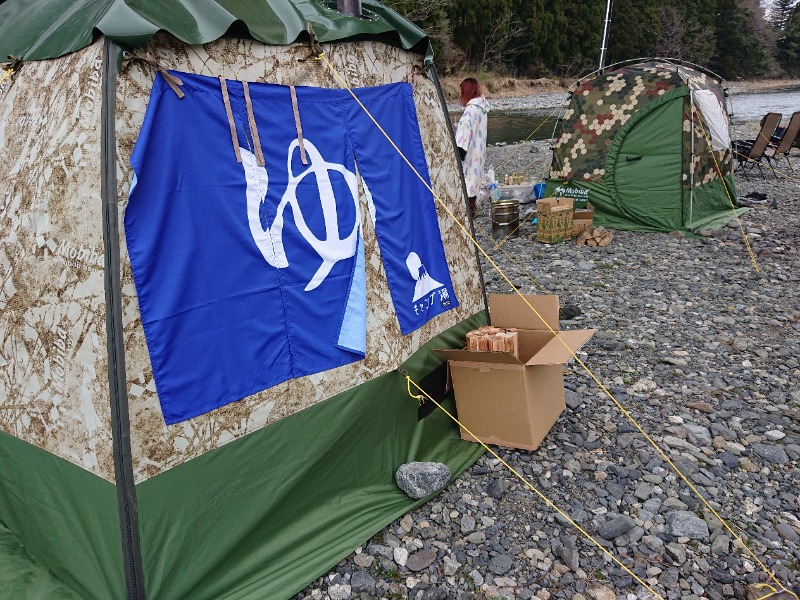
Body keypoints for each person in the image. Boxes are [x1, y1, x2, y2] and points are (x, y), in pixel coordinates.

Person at [455, 77, 490, 218]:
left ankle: (467, 212)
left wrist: (458, 153)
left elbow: (464, 134)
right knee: (473, 180)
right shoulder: (482, 109)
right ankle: (472, 210)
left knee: (466, 180)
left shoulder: (470, 110)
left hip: (469, 152)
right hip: (478, 151)